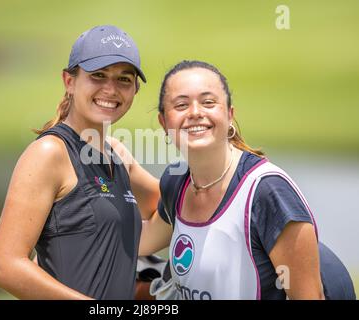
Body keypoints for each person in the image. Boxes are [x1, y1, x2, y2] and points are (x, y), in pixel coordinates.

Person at [140, 60, 356, 300]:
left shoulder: (268, 193)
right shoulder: (177, 182)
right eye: (181, 105)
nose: (195, 112)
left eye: (208, 102)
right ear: (164, 122)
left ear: (229, 115)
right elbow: (145, 239)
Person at [0, 25, 160, 299]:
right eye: (98, 76)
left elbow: (168, 203)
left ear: (135, 89)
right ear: (69, 81)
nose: (111, 89)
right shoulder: (49, 153)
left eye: (124, 79)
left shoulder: (116, 153)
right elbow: (4, 266)